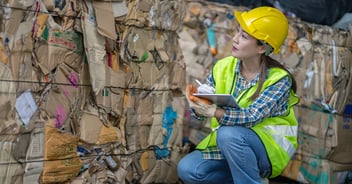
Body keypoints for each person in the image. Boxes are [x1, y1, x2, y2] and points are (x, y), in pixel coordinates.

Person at [177, 6, 300, 184]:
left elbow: (251, 117)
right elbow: (207, 102)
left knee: (228, 134)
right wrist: (198, 103)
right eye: (238, 32)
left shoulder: (278, 80)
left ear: (262, 48)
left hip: (267, 151)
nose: (234, 39)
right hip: (231, 147)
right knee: (189, 169)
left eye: (244, 36)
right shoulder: (223, 66)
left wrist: (214, 112)